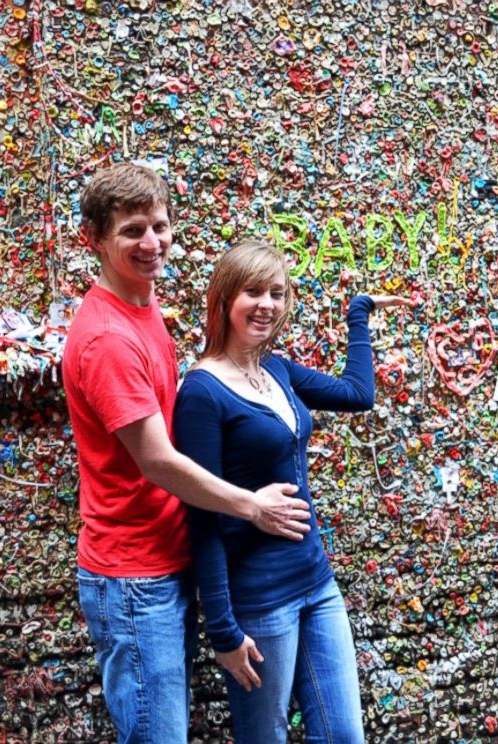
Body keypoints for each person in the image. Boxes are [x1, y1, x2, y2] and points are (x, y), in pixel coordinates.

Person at [61, 164, 311, 744]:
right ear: (93, 239)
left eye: (159, 226)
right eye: (131, 231)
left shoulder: (141, 309)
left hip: (165, 560)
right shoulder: (108, 339)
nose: (151, 244)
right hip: (133, 576)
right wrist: (251, 505)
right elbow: (156, 459)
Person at [173, 239, 414, 743]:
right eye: (254, 291)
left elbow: (358, 394)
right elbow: (201, 514)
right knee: (266, 737)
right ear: (224, 299)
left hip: (317, 584)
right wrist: (222, 631)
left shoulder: (275, 369)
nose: (268, 305)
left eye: (278, 293)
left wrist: (359, 313)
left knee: (343, 735)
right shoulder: (201, 392)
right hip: (259, 600)